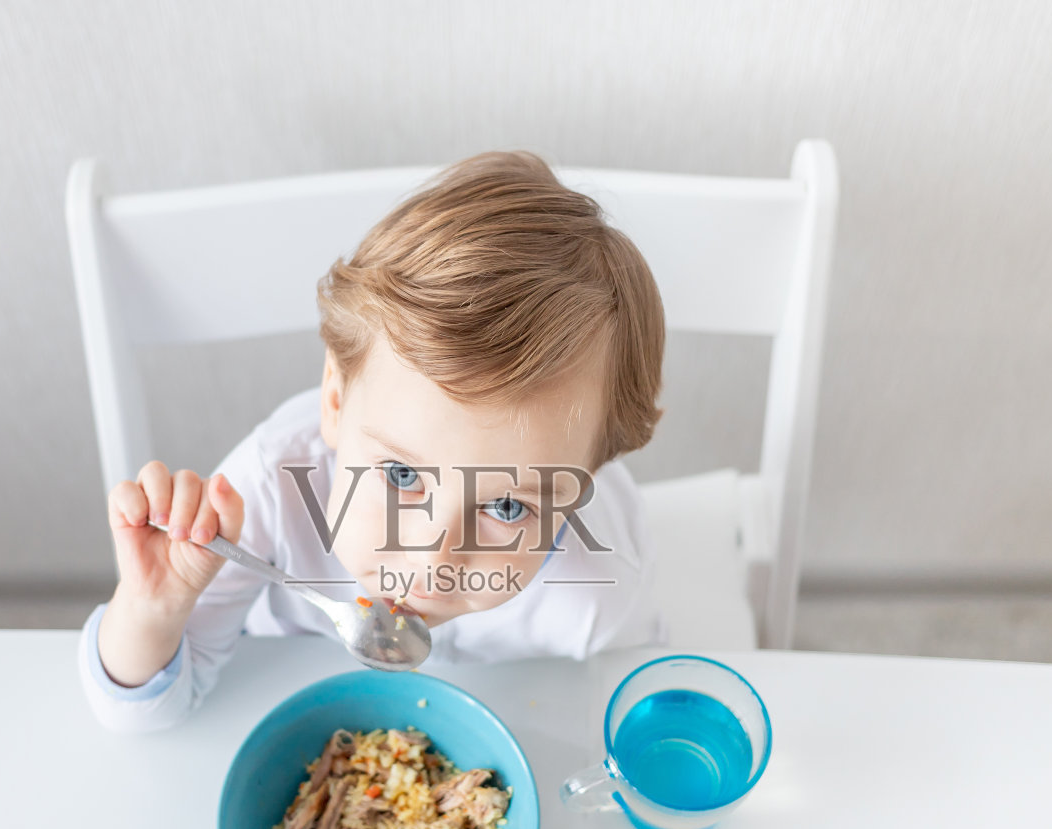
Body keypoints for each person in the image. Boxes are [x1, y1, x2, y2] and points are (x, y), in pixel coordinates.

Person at [79, 150, 669, 732]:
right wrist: (152, 611)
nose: (434, 560)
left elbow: (629, 690)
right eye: (401, 476)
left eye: (507, 507)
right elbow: (143, 711)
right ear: (335, 401)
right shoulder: (264, 494)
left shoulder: (600, 587)